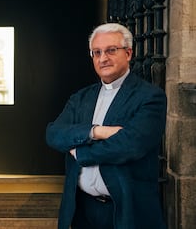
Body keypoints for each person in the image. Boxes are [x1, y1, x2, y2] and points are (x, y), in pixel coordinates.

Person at [46, 23, 167, 229]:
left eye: (111, 50)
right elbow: (54, 133)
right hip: (82, 210)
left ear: (128, 53)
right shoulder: (81, 97)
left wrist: (80, 153)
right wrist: (96, 131)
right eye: (97, 52)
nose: (103, 58)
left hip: (126, 212)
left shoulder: (150, 97)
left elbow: (130, 145)